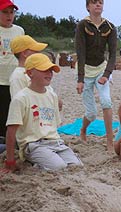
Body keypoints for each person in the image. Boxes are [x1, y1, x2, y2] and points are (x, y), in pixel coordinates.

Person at [2, 53, 82, 173]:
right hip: (33, 144)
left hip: (55, 142)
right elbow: (11, 130)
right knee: (58, 167)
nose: (49, 73)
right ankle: (33, 164)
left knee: (77, 166)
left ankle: (43, 161)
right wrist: (10, 160)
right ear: (30, 73)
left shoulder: (52, 96)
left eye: (51, 70)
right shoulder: (21, 98)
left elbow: (54, 125)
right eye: (44, 70)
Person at [75, 0, 117, 152]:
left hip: (101, 68)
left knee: (106, 101)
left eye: (100, 2)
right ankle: (83, 129)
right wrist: (80, 80)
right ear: (88, 6)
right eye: (94, 2)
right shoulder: (82, 25)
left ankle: (110, 141)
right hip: (85, 70)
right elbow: (80, 52)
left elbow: (113, 54)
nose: (97, 5)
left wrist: (106, 74)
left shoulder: (110, 27)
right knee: (91, 113)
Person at [0, 0, 24, 139]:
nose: (9, 15)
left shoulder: (19, 30)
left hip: (14, 78)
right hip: (0, 79)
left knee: (13, 112)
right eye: (5, 12)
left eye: (12, 12)